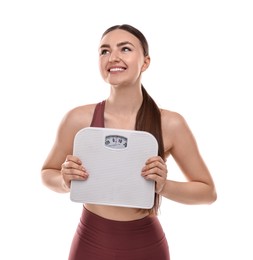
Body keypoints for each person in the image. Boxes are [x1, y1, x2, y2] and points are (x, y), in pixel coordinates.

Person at [41, 24, 217, 260]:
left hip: (146, 246)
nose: (112, 57)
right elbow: (47, 172)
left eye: (125, 49)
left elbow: (207, 192)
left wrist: (164, 186)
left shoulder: (170, 124)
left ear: (145, 62)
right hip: (90, 243)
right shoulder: (78, 119)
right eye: (104, 51)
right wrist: (64, 181)